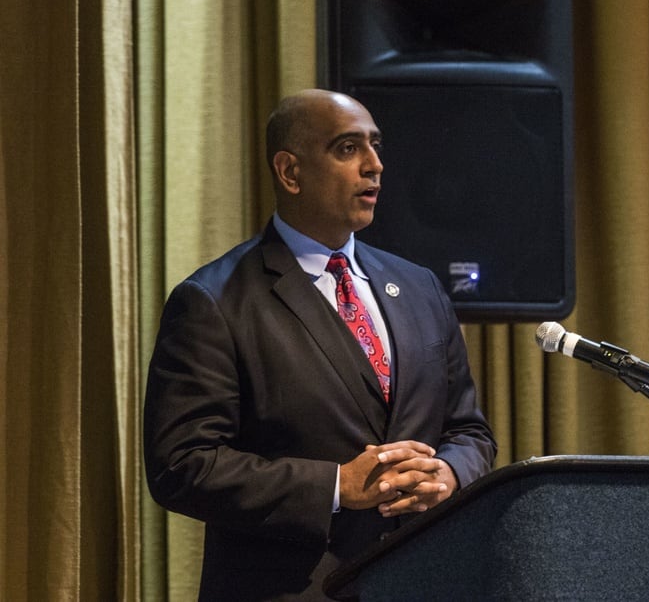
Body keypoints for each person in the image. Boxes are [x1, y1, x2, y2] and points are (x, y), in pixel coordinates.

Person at [144, 89, 497, 600]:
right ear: (290, 172)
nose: (374, 166)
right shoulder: (213, 302)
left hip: (422, 580)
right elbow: (181, 464)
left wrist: (448, 472)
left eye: (375, 146)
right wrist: (335, 485)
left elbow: (469, 430)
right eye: (348, 149)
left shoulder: (419, 287)